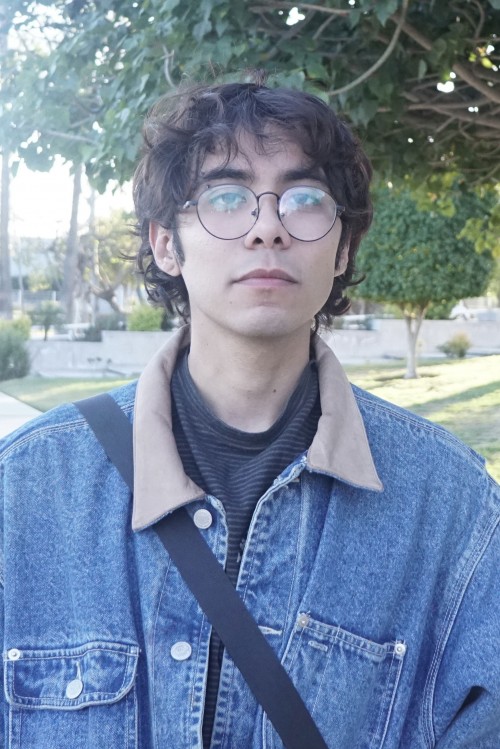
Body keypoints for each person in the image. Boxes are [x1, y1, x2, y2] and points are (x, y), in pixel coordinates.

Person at [1, 77, 499, 749]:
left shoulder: (454, 508)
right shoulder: (26, 485)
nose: (268, 227)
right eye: (227, 197)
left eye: (305, 199)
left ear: (343, 248)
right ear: (166, 244)